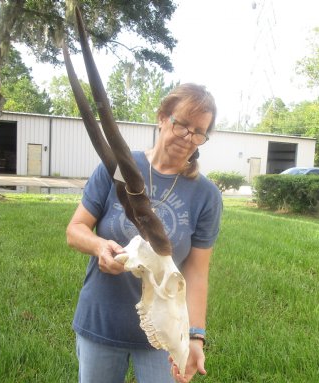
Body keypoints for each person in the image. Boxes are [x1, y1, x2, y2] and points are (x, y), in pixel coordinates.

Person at [66, 83, 223, 383]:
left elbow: (197, 272)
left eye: (199, 131)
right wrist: (99, 246)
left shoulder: (206, 195)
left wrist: (195, 337)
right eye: (182, 125)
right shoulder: (118, 168)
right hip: (101, 322)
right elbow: (75, 230)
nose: (189, 137)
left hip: (163, 335)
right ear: (162, 117)